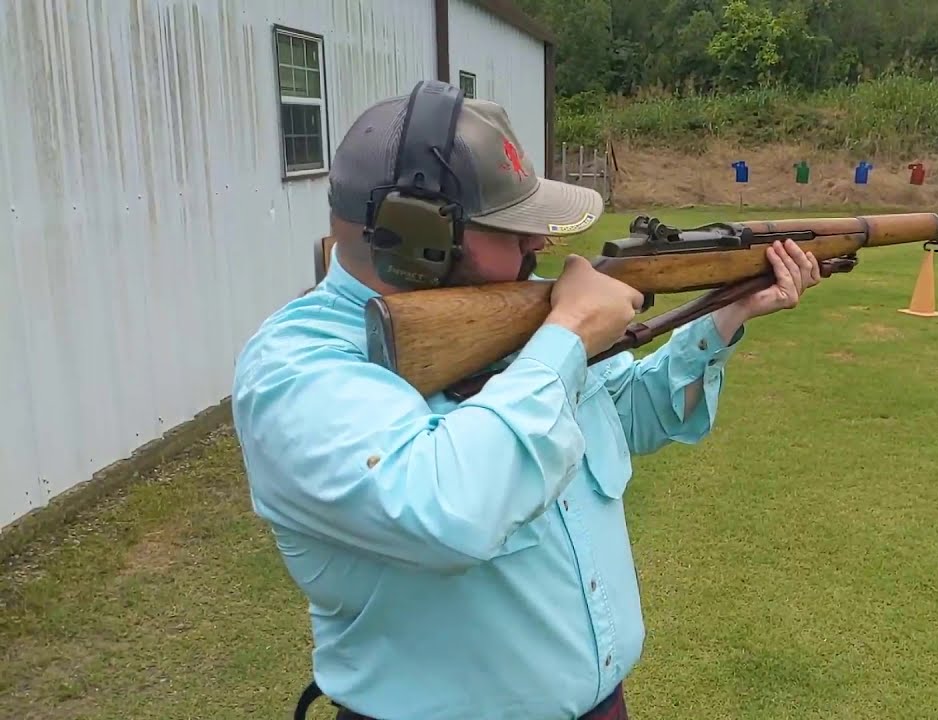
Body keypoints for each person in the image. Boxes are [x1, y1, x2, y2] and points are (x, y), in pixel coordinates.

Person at [231, 81, 822, 720]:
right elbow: (450, 511)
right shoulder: (294, 368)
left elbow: (631, 416)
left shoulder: (525, 316)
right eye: (511, 230)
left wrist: (726, 314)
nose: (537, 246)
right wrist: (563, 339)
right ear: (418, 236)